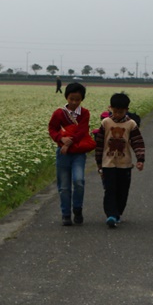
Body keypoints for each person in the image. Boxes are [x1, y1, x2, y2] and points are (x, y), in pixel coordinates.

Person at [95, 93, 145, 228]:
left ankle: (117, 213)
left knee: (123, 190)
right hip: (108, 163)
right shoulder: (105, 123)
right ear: (110, 108)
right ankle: (111, 214)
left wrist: (140, 159)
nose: (117, 114)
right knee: (110, 189)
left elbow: (137, 142)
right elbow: (99, 143)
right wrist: (99, 163)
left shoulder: (131, 124)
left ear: (126, 110)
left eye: (121, 111)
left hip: (125, 164)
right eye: (115, 111)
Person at [48, 82, 93, 226]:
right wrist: (61, 139)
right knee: (64, 186)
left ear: (82, 99)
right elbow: (52, 129)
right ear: (66, 97)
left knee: (79, 181)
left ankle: (77, 208)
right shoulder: (59, 113)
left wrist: (68, 143)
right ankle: (66, 214)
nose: (74, 102)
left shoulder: (84, 113)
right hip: (62, 153)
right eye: (71, 98)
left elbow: (82, 131)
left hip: (77, 153)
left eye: (77, 99)